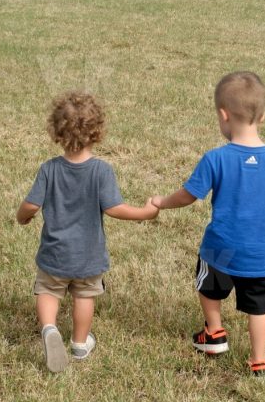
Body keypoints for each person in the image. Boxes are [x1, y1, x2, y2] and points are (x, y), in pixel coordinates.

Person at [152, 71, 265, 380]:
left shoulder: (215, 158)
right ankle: (259, 361)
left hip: (220, 248)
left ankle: (214, 332)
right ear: (263, 116)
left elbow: (187, 196)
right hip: (261, 254)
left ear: (223, 115)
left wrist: (161, 202)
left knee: (209, 288)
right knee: (259, 309)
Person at [17, 91, 159, 372]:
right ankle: (80, 344)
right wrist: (145, 212)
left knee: (48, 290)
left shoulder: (49, 169)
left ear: (56, 132)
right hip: (88, 256)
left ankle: (49, 329)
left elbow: (31, 205)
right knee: (84, 296)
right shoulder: (101, 171)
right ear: (97, 133)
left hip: (54, 254)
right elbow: (115, 208)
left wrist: (22, 217)